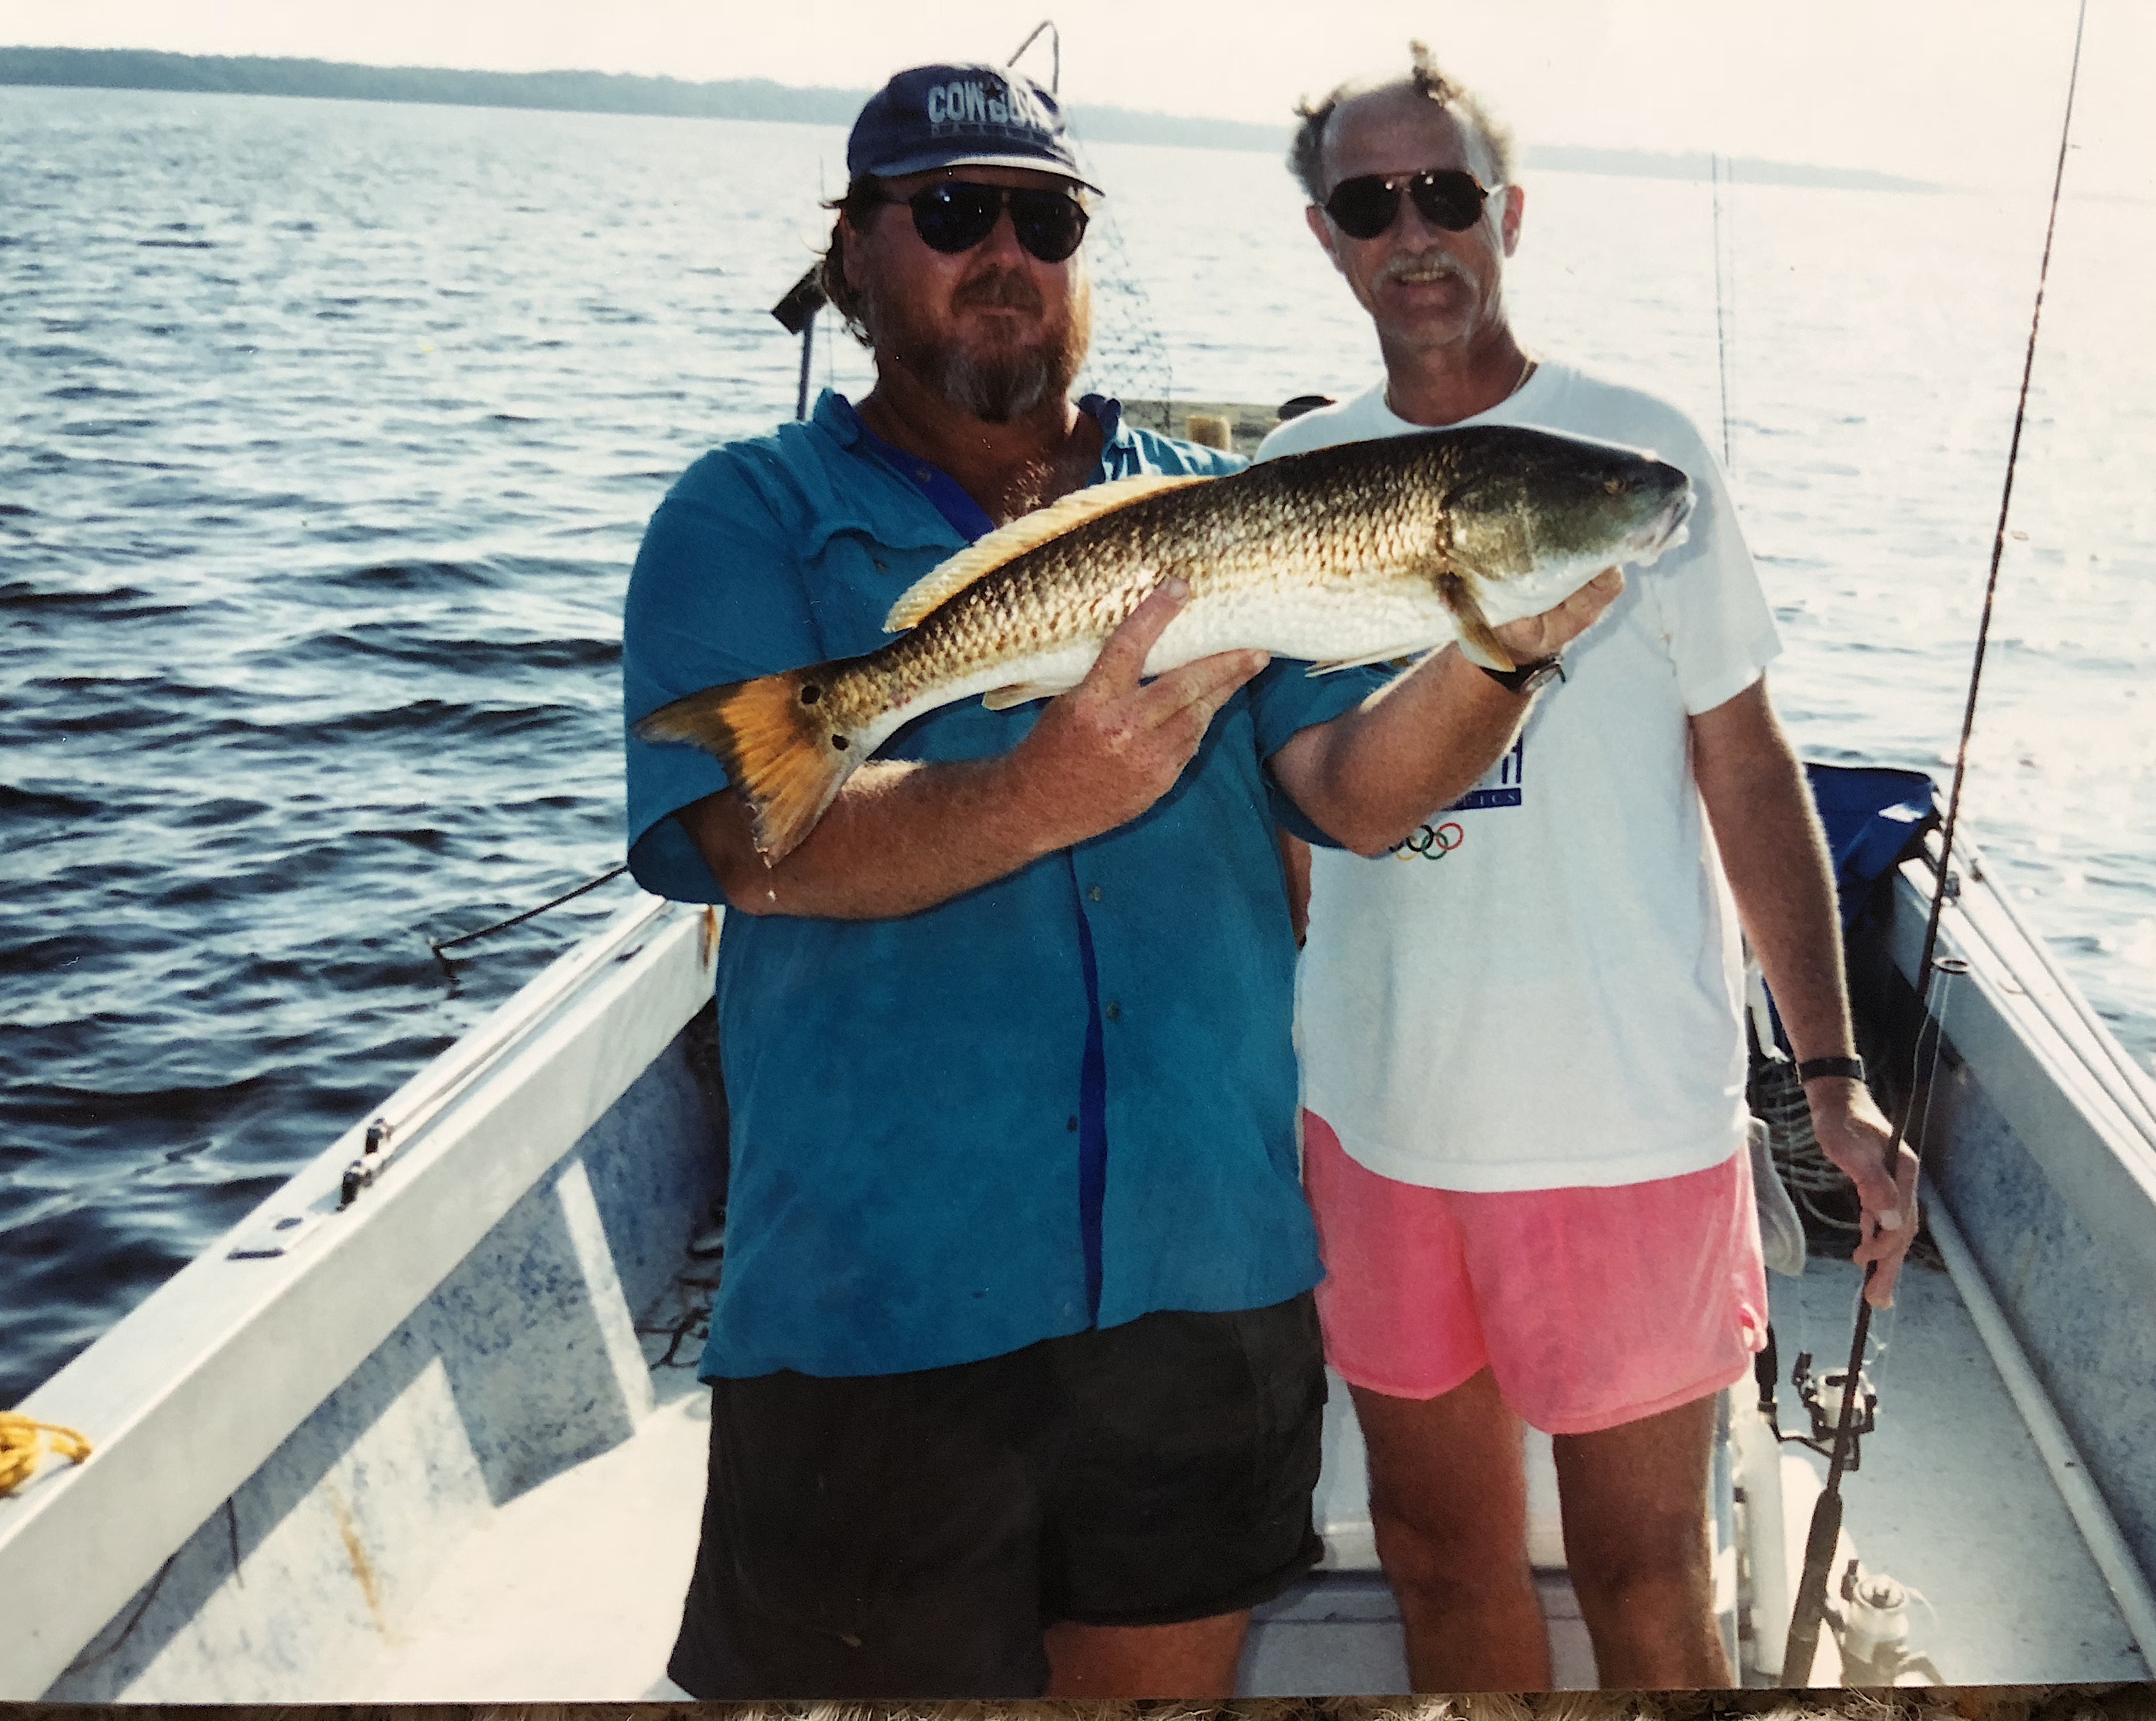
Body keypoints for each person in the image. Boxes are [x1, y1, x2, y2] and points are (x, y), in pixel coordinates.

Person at [622, 60, 1621, 1701]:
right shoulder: (748, 516)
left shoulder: (1222, 508)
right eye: (952, 215)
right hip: (884, 1291)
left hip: (1197, 1279)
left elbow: (1355, 800)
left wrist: (1497, 658)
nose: (1005, 251)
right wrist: (1034, 795)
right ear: (857, 252)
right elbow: (741, 846)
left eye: (1047, 216)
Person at [1258, 44, 1923, 1692]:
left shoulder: (1641, 456)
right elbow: (1290, 811)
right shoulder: (1289, 483)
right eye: (1368, 201)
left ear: (1510, 214)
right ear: (1326, 237)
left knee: (1644, 1575)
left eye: (1446, 193)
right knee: (1436, 1556)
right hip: (1381, 1124)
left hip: (1622, 1126)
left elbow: (1748, 764)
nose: (1413, 232)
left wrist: (1831, 1073)